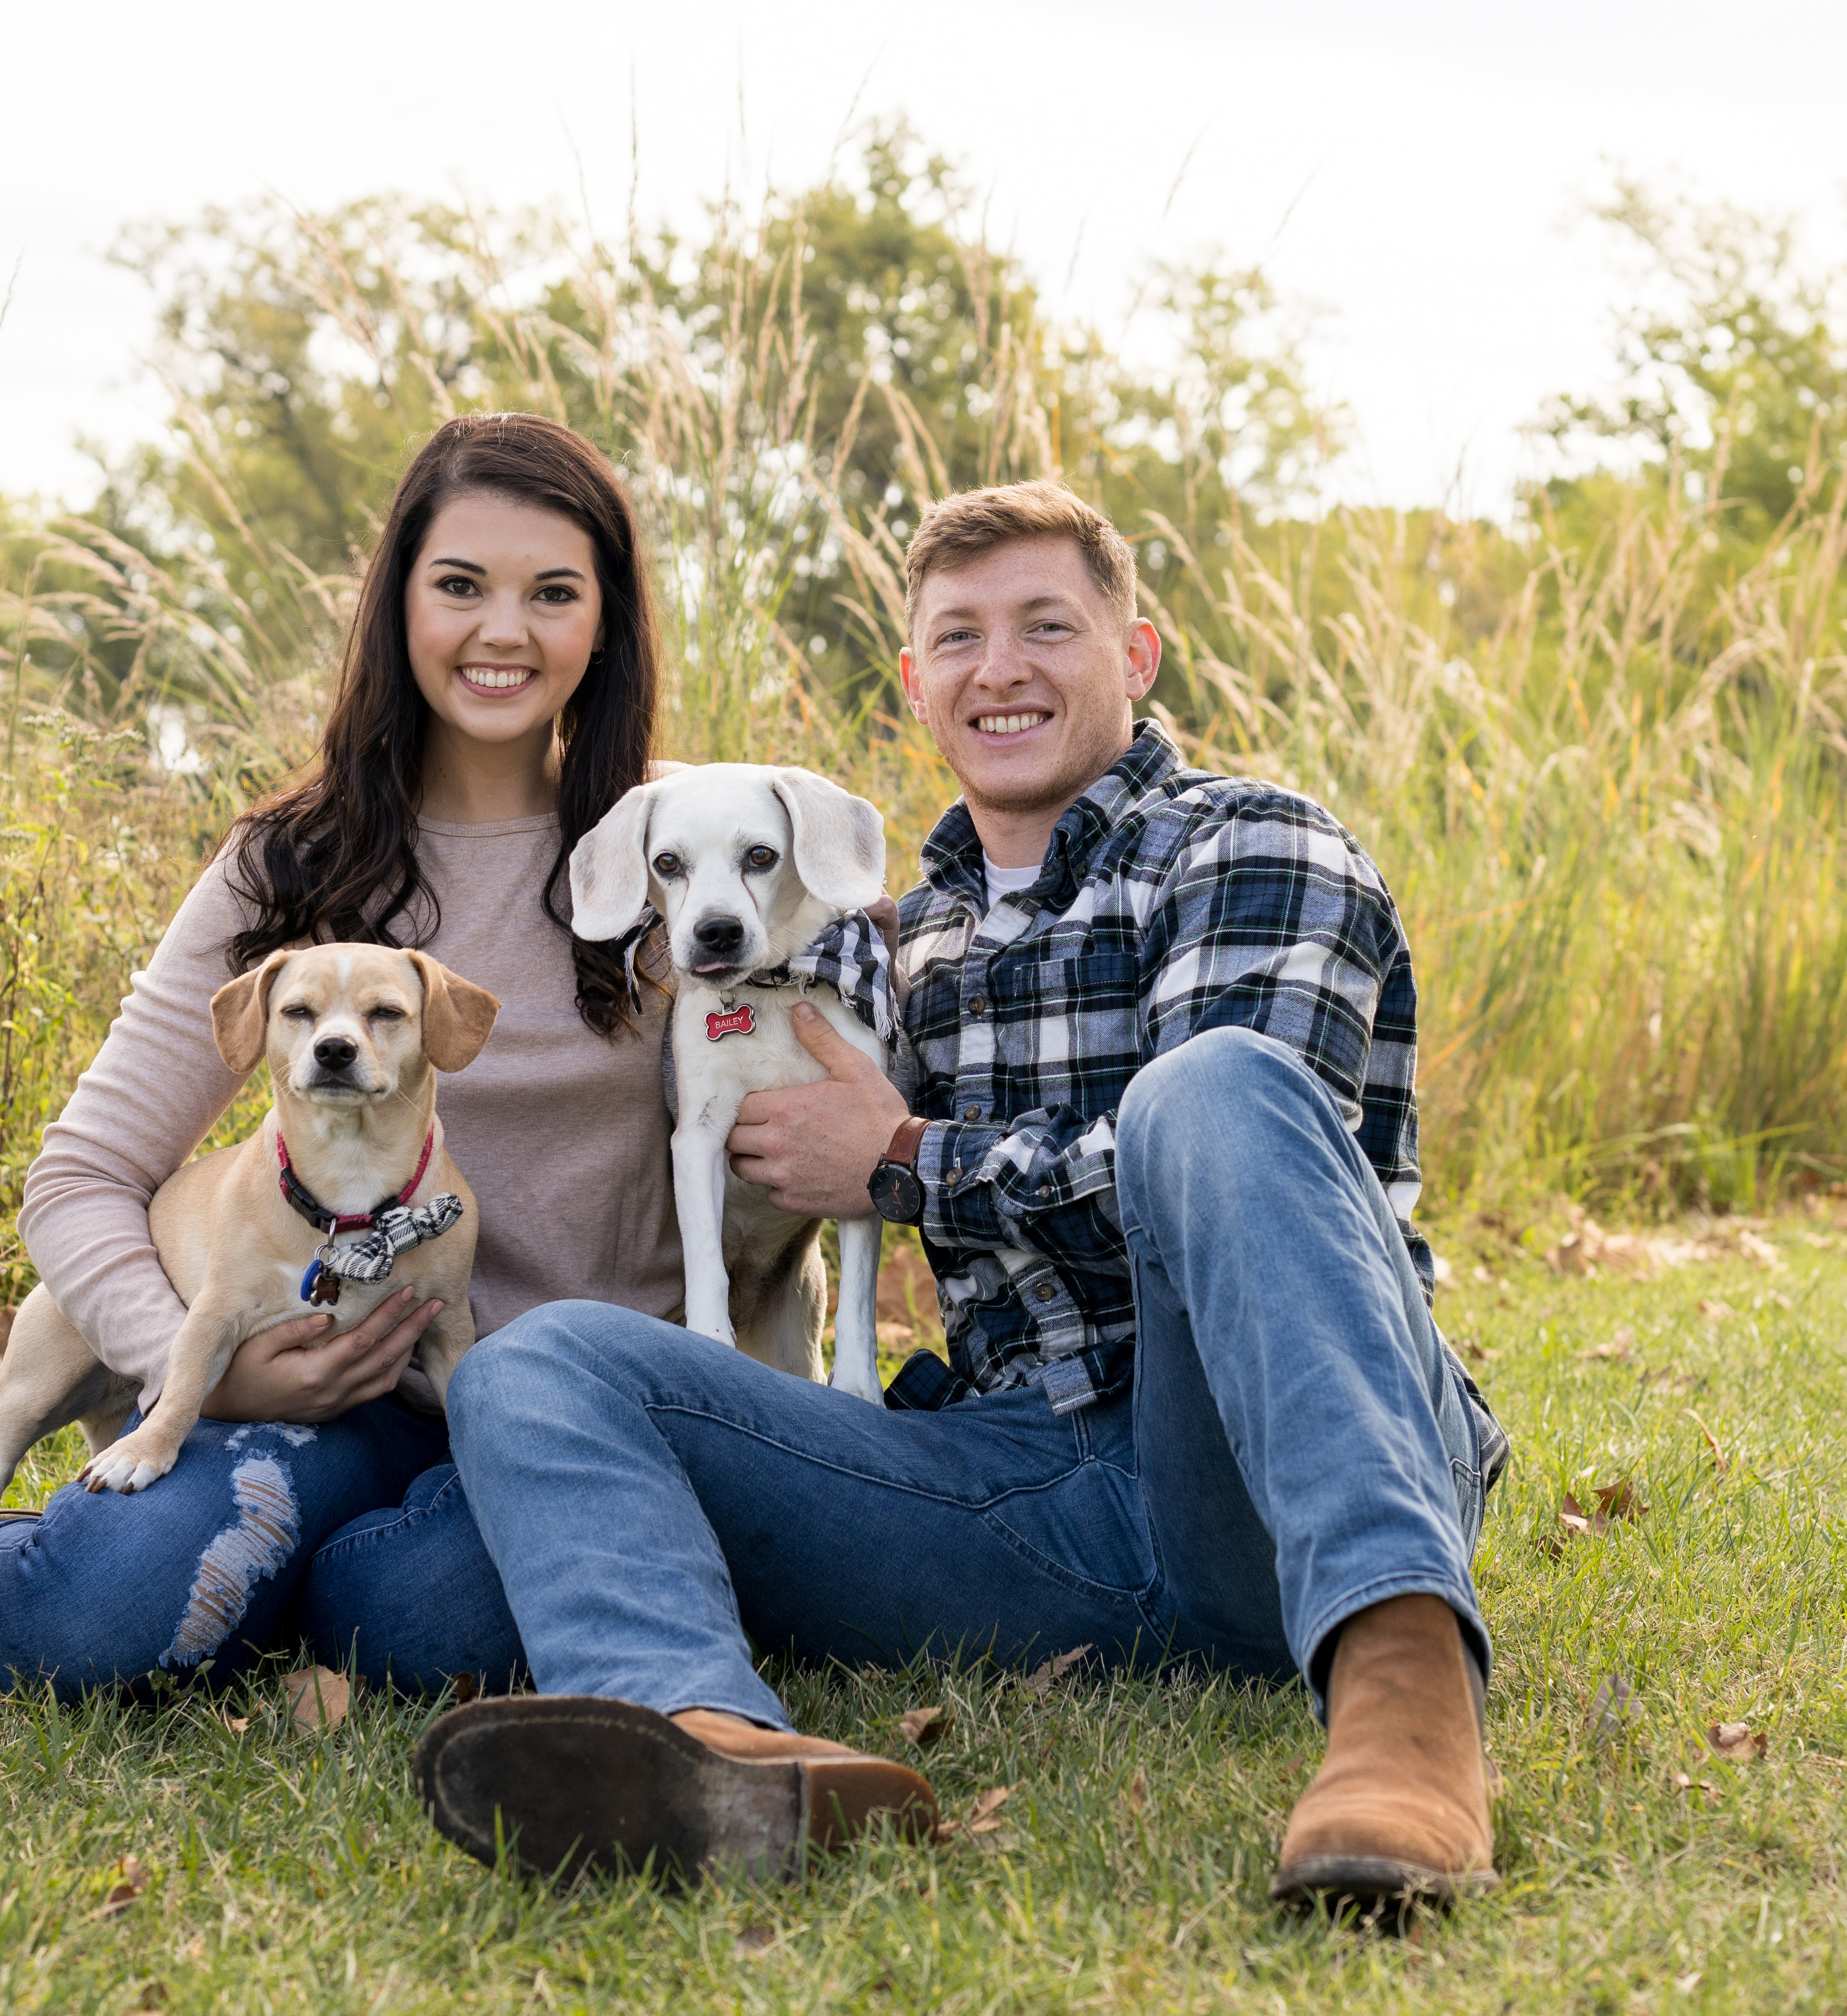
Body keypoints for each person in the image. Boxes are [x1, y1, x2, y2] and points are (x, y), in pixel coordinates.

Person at [410, 478, 1511, 1914]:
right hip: (1028, 1497)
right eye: (958, 638)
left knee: (1212, 1086)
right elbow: (700, 964)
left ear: (1137, 655)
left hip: (1255, 1459)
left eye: (1047, 626)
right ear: (917, 683)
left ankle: (1406, 1695)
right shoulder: (894, 939)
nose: (1000, 668)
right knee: (540, 1366)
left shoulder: (1252, 845)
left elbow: (1241, 1168)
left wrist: (905, 1157)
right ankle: (709, 1741)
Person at [0, 413, 684, 1697]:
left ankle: (272, 1580)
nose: (502, 630)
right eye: (460, 585)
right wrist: (211, 1370)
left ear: (606, 623)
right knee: (116, 1605)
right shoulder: (289, 865)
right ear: (398, 604)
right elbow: (81, 1178)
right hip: (330, 1402)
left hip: (572, 1421)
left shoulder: (685, 850)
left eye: (553, 593)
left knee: (423, 1623)